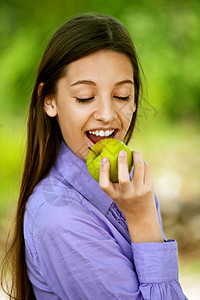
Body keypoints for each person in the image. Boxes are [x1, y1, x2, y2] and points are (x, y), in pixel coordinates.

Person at [1, 13, 188, 300]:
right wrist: (143, 220)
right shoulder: (59, 218)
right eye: (85, 97)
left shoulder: (128, 188)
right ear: (49, 100)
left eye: (122, 96)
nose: (107, 115)